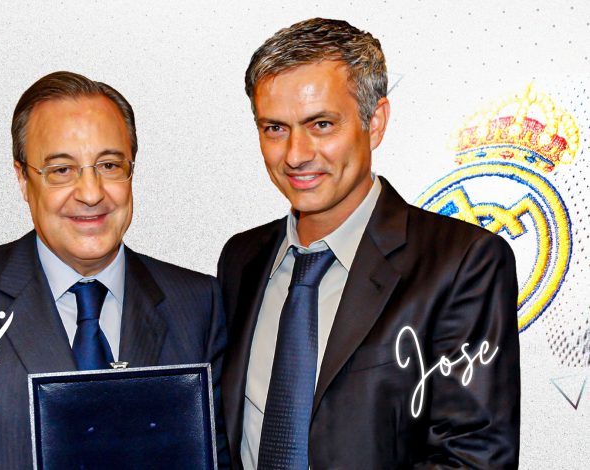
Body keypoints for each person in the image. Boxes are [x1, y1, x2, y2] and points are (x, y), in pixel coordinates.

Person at [0, 71, 228, 468]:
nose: (91, 193)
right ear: (22, 178)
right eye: (61, 170)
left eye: (109, 165)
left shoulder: (197, 304)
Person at [218, 18, 520, 469]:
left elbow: (473, 457)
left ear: (374, 123)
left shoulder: (462, 262)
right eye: (275, 128)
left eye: (321, 124)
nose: (296, 154)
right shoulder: (241, 259)